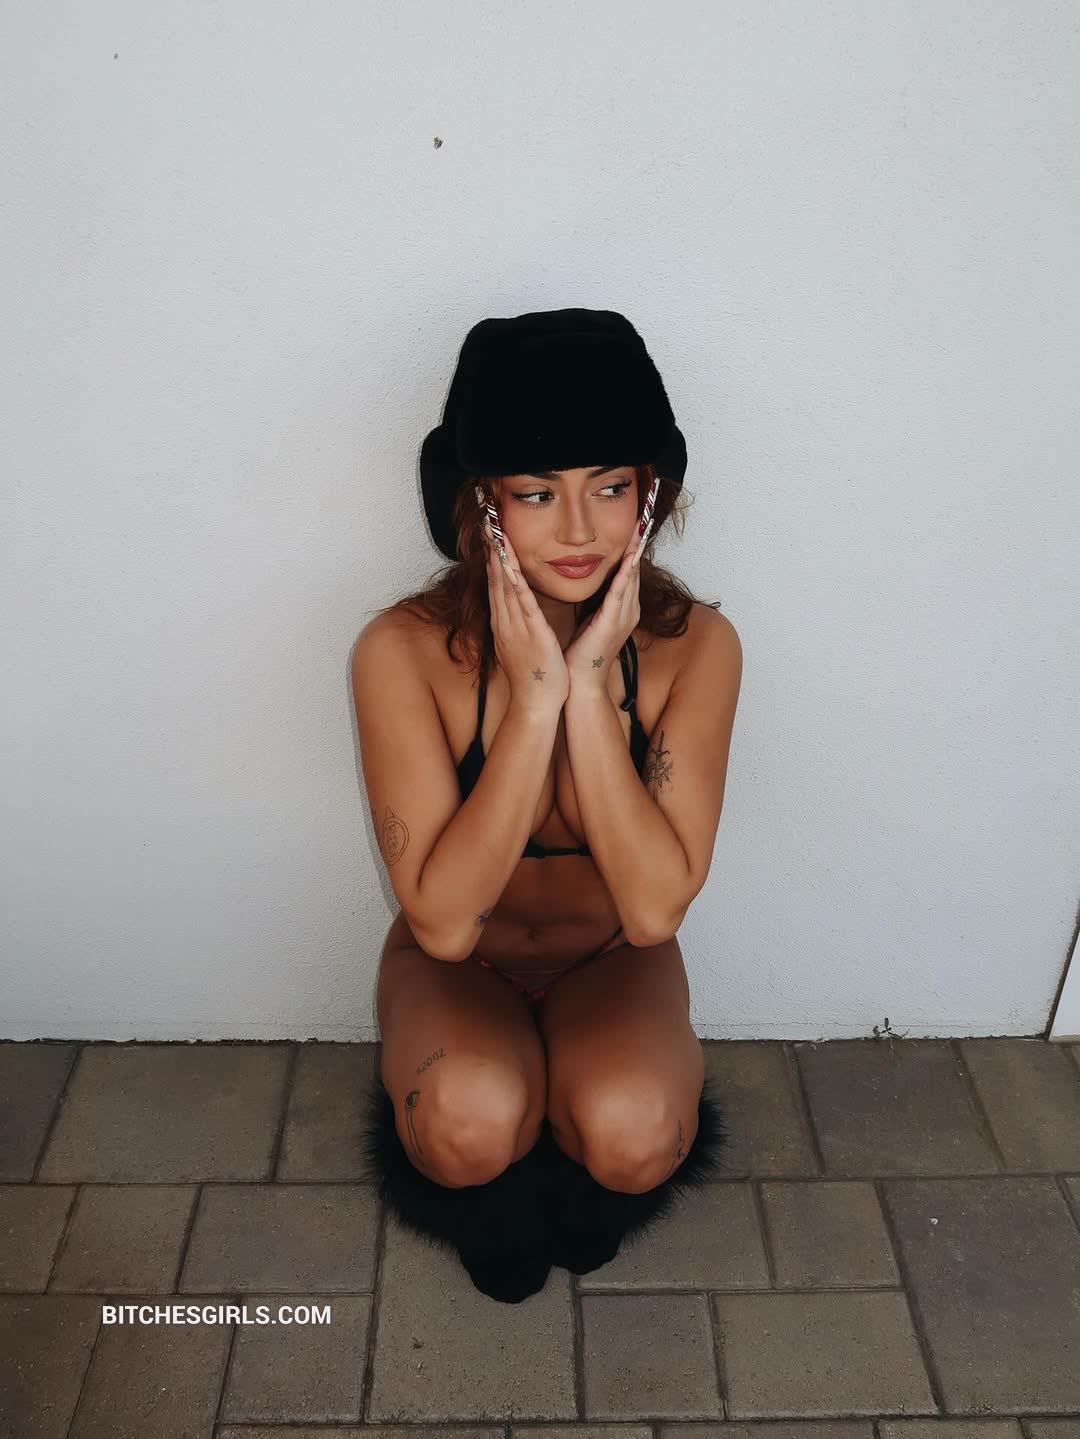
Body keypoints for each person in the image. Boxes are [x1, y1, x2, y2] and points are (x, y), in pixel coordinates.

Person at [353, 308, 741, 1302]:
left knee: (638, 1131)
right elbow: (444, 925)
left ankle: (580, 1168)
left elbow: (652, 910)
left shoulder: (697, 647)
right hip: (463, 965)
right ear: (481, 504)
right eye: (536, 493)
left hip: (612, 957)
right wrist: (532, 702)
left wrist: (591, 690)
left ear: (650, 494)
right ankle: (490, 1187)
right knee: (466, 1120)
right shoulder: (401, 651)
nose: (578, 529)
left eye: (610, 487)